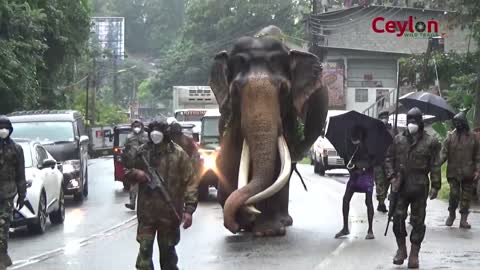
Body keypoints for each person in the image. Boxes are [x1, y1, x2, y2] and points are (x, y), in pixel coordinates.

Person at [123, 120, 198, 270]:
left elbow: (190, 181)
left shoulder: (178, 154)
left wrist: (189, 210)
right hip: (147, 214)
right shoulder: (142, 152)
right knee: (144, 256)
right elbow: (126, 170)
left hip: (170, 215)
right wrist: (137, 173)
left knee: (168, 258)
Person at [385, 107, 441, 269]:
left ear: (421, 123)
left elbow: (435, 165)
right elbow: (388, 158)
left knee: (418, 221)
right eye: (409, 121)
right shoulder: (398, 139)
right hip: (400, 186)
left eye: (414, 122)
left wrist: (436, 186)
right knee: (397, 218)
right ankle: (401, 249)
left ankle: (414, 254)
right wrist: (392, 176)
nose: (411, 125)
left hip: (419, 186)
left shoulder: (430, 142)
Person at [440, 111, 480, 229]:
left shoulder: (473, 137)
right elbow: (443, 154)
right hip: (453, 172)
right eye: (455, 122)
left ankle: (463, 220)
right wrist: (435, 164)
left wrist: (478, 170)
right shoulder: (450, 137)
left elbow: (478, 156)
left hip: (469, 172)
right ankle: (451, 214)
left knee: (466, 197)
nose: (457, 124)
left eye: (459, 122)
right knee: (454, 194)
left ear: (464, 122)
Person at [335, 126, 376, 240]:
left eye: (356, 139)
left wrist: (360, 166)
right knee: (345, 199)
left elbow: (372, 161)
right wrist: (350, 166)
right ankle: (345, 227)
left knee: (368, 201)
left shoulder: (369, 146)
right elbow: (348, 160)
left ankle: (370, 229)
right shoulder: (350, 147)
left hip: (366, 176)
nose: (354, 141)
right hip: (354, 177)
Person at [0, 115, 26, 269]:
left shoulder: (16, 149)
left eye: (5, 128)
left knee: (2, 227)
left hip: (8, 194)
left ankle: (2, 257)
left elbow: (20, 174)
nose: (3, 130)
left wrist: (22, 194)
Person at [123, 120, 149, 211]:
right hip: (134, 162)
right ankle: (132, 203)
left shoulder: (147, 135)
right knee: (134, 185)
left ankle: (146, 204)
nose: (137, 127)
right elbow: (125, 149)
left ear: (142, 126)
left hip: (146, 162)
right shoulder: (129, 137)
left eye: (138, 125)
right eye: (135, 126)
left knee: (148, 184)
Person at [374, 111, 395, 213]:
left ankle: (387, 200)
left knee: (388, 182)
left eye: (386, 117)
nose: (384, 119)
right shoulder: (376, 131)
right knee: (380, 182)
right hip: (378, 161)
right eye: (383, 118)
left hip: (390, 161)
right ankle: (381, 202)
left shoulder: (392, 130)